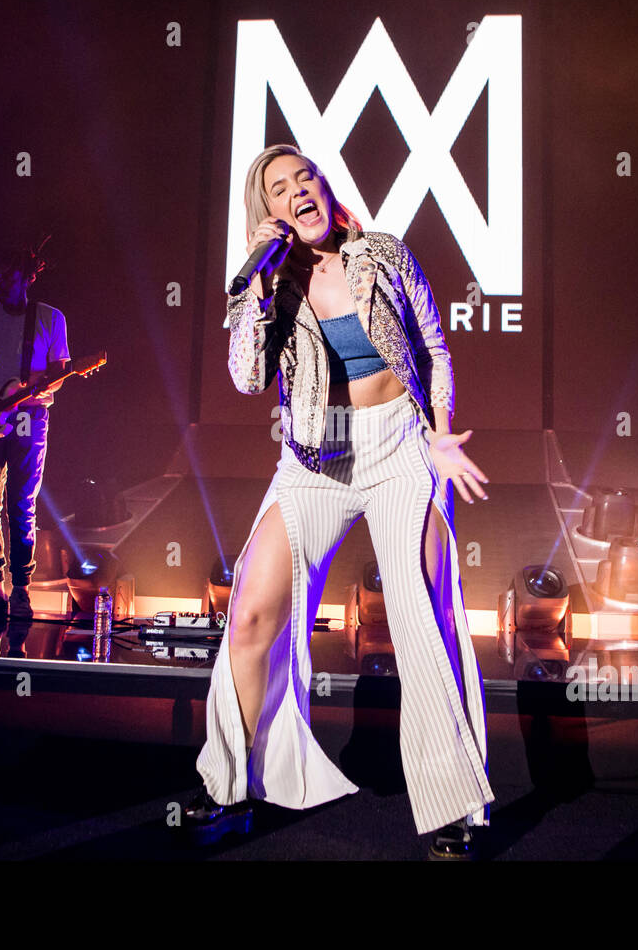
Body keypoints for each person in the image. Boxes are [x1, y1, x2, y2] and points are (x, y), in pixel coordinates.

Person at [184, 144, 493, 859]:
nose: (298, 193)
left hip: (400, 448)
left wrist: (440, 435)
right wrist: (256, 289)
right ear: (267, 213)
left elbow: (433, 346)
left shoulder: (382, 252)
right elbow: (245, 376)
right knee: (253, 611)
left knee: (420, 615)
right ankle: (227, 787)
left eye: (305, 179)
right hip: (312, 457)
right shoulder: (269, 282)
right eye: (280, 189)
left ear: (325, 186)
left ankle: (451, 807)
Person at [0, 245, 70, 620]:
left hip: (30, 420)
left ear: (27, 278)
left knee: (22, 507)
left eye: (6, 277)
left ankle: (21, 590)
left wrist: (40, 388)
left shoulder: (51, 319)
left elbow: (59, 376)